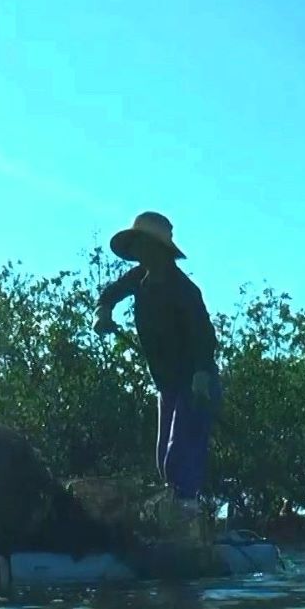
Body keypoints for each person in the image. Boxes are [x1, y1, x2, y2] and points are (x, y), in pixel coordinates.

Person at [93, 212, 221, 525]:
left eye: (145, 244)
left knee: (178, 457)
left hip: (196, 384)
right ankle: (177, 521)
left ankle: (186, 521)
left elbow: (204, 337)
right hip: (168, 386)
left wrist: (202, 375)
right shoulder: (139, 279)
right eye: (137, 246)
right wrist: (103, 312)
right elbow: (109, 295)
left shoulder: (184, 290)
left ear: (160, 249)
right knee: (163, 461)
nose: (141, 251)